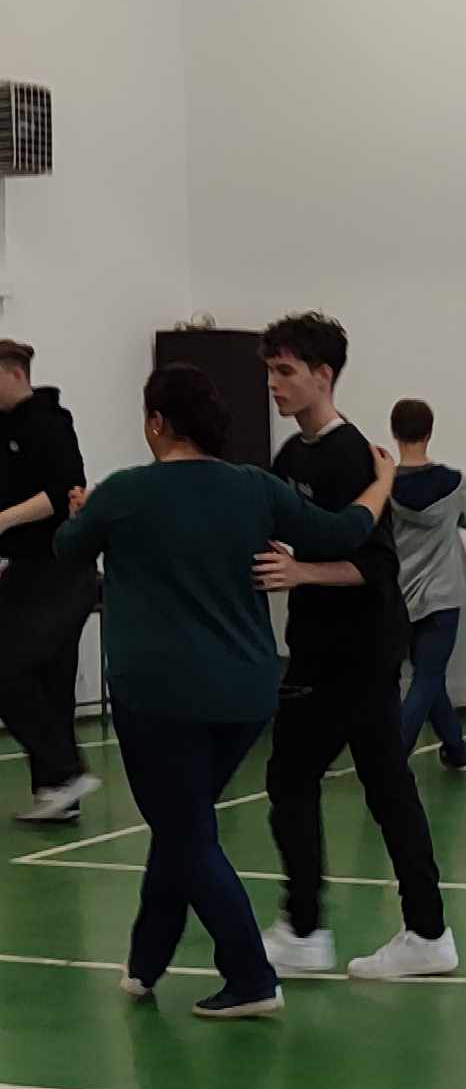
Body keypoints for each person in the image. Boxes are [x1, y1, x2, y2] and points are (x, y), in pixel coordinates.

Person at [54, 364, 396, 1017]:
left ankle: (250, 978)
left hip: (157, 696)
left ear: (157, 422)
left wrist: (81, 511)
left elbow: (68, 549)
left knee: (184, 831)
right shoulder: (254, 488)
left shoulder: (124, 493)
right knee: (183, 822)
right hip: (245, 694)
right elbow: (343, 532)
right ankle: (146, 960)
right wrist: (381, 483)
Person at [255, 313, 459, 981]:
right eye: (269, 371)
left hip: (359, 646)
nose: (274, 384)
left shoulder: (353, 457)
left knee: (300, 777)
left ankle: (309, 927)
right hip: (317, 642)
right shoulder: (291, 457)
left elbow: (375, 566)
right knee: (377, 783)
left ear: (323, 375)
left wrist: (301, 572)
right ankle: (422, 930)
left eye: (285, 371)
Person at [0, 338, 99, 824]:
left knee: (12, 666)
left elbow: (64, 491)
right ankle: (56, 791)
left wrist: (3, 519)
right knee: (47, 677)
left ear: (15, 373)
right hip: (23, 569)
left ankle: (63, 771)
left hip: (62, 569)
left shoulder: (50, 423)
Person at [389, 398, 466, 769]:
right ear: (429, 432)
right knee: (428, 676)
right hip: (444, 595)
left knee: (428, 676)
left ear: (394, 433)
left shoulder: (382, 486)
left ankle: (457, 752)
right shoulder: (455, 482)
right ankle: (393, 756)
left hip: (400, 595)